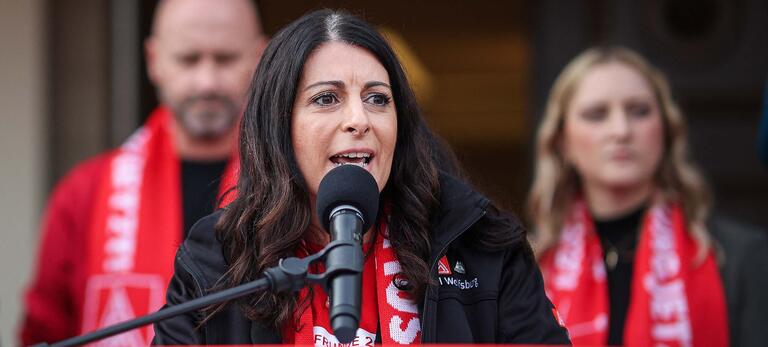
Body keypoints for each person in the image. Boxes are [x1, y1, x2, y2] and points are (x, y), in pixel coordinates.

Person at [152, 9, 571, 345]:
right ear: (279, 128)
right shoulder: (216, 261)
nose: (359, 119)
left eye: (377, 99)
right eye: (326, 99)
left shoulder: (481, 245)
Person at [20, 0, 267, 344]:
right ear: (154, 61)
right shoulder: (84, 194)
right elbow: (43, 332)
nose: (207, 82)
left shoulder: (290, 186)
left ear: (260, 58)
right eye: (189, 59)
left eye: (225, 59)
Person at [527, 46, 768, 346]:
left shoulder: (742, 257)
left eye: (639, 111)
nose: (621, 130)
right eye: (597, 114)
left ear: (666, 130)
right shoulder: (528, 269)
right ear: (563, 142)